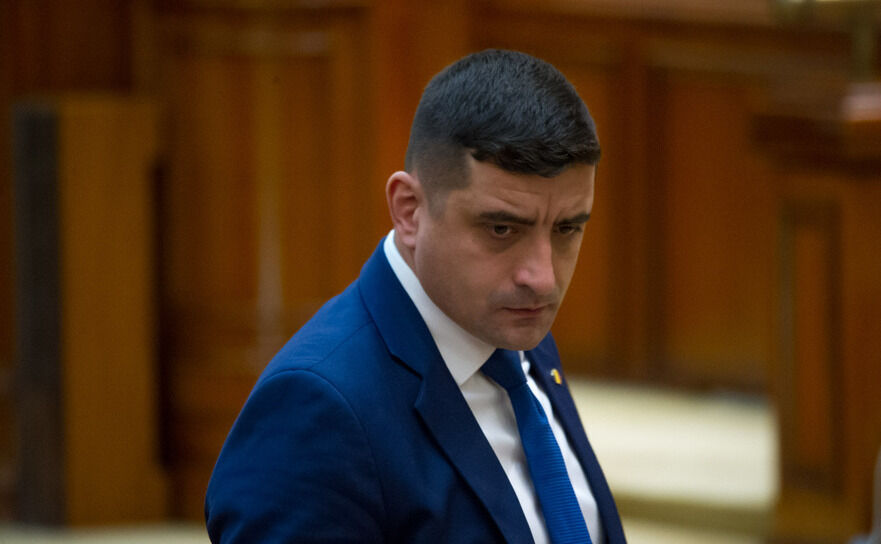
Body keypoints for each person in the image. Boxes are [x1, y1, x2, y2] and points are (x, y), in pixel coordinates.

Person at [205, 48, 626, 544]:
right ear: (409, 210)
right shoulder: (316, 409)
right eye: (501, 229)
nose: (543, 278)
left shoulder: (514, 333)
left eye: (567, 229)